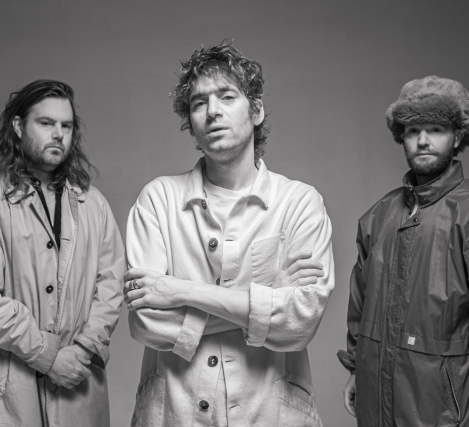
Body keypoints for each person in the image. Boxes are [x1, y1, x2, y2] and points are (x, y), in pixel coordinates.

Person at [123, 41, 334, 426]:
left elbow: (302, 322)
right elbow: (146, 322)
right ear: (190, 123)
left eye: (227, 96)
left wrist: (180, 291)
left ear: (256, 110)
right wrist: (271, 297)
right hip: (176, 413)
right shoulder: (158, 199)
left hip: (269, 414)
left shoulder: (300, 202)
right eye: (199, 103)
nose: (212, 111)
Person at [338, 76, 469, 427]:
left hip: (444, 409)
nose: (423, 140)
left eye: (435, 129)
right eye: (413, 130)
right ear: (401, 136)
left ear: (457, 136)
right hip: (375, 401)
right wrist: (357, 368)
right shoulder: (378, 216)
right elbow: (360, 304)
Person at [0, 80, 124, 427]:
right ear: (18, 127)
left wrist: (82, 350)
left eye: (66, 126)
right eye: (46, 123)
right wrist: (48, 356)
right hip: (9, 392)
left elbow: (111, 286)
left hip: (78, 383)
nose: (58, 134)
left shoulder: (94, 204)